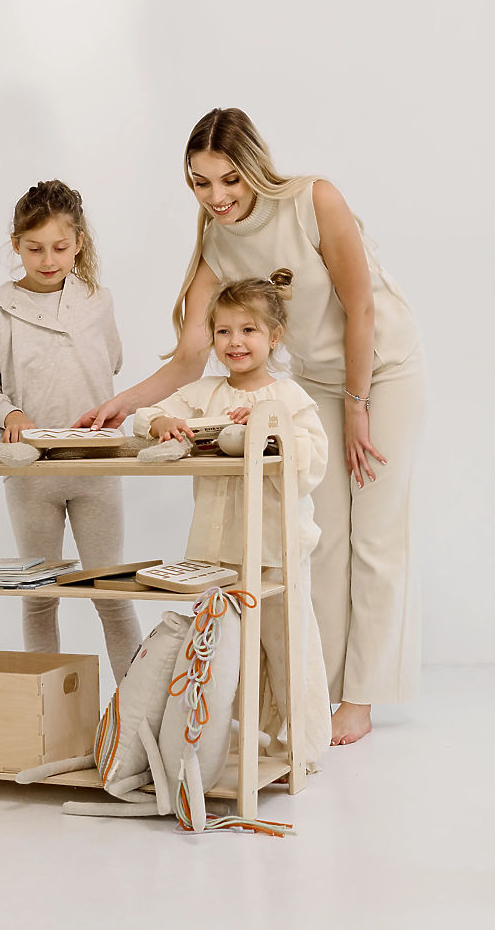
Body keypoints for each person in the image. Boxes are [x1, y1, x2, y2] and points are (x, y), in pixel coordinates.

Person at [78, 108, 425, 744]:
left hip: (383, 369)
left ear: (254, 167)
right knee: (320, 538)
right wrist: (121, 404)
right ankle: (320, 689)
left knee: (375, 535)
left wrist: (358, 406)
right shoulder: (217, 242)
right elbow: (189, 358)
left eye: (229, 179)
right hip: (313, 380)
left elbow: (361, 306)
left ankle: (363, 697)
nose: (217, 196)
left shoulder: (314, 200)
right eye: (201, 182)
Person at [134, 272, 331, 767]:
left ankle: (303, 748)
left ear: (274, 337)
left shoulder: (288, 398)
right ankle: (221, 746)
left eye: (248, 330)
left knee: (286, 646)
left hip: (274, 549)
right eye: (223, 331)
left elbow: (312, 461)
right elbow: (146, 415)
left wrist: (268, 426)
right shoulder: (205, 392)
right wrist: (162, 422)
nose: (235, 342)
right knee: (221, 650)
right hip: (217, 553)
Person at [0, 179, 142, 682]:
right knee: (38, 596)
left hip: (95, 469)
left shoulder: (98, 301)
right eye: (34, 247)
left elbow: (112, 362)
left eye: (60, 247)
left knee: (113, 594)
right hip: (31, 474)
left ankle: (138, 710)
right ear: (16, 244)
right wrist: (9, 414)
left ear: (78, 242)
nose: (47, 259)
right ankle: (47, 714)